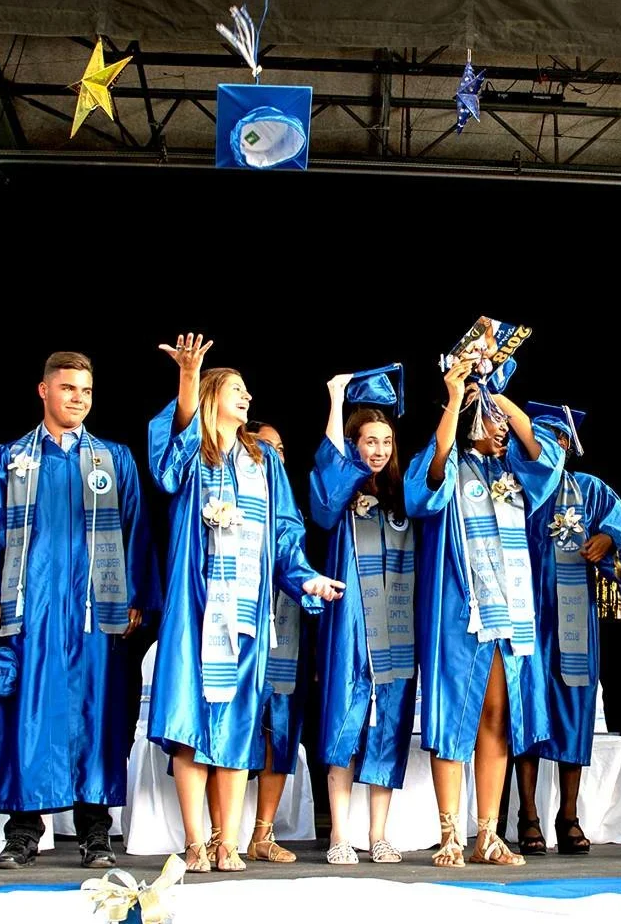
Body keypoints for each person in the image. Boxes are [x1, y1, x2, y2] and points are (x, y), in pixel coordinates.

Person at [145, 333, 343, 873]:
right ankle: (194, 841)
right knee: (190, 722)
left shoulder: (265, 464)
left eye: (248, 391)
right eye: (236, 388)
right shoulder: (192, 456)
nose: (247, 397)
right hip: (197, 609)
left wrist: (306, 580)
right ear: (211, 396)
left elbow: (284, 534)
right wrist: (189, 376)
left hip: (248, 617)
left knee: (235, 726)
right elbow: (163, 470)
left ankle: (225, 839)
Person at [0, 352, 155, 869]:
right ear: (44, 391)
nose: (78, 398)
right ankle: (24, 831)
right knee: (27, 713)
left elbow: (136, 531)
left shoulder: (114, 459)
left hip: (95, 611)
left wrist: (134, 597)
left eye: (87, 391)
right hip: (33, 606)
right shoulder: (10, 457)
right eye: (68, 388)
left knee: (98, 714)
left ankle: (97, 833)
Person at [405, 355, 565, 867]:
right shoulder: (450, 461)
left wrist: (497, 394)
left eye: (503, 422)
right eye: (492, 420)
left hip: (512, 613)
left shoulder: (513, 471)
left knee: (497, 715)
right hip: (462, 609)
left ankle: (488, 833)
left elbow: (546, 457)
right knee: (457, 715)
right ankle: (450, 831)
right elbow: (423, 491)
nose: (502, 430)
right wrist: (459, 400)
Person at [513, 402, 621, 856]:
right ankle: (527, 816)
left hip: (573, 621)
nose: (552, 447)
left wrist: (608, 540)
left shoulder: (593, 490)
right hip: (523, 617)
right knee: (525, 713)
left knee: (573, 712)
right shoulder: (511, 489)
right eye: (542, 438)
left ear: (569, 446)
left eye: (560, 440)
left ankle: (568, 815)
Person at [311, 371, 421, 864]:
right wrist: (336, 400)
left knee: (389, 727)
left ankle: (378, 834)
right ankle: (339, 834)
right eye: (369, 440)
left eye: (385, 441)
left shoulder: (404, 496)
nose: (378, 448)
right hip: (351, 629)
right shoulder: (341, 493)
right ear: (354, 443)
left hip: (397, 632)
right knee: (343, 724)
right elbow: (328, 474)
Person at [243, 419, 306, 864]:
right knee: (231, 726)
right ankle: (217, 832)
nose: (275, 455)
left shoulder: (288, 506)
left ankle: (262, 834)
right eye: (265, 446)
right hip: (237, 629)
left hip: (285, 628)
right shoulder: (230, 495)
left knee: (277, 729)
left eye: (280, 447)